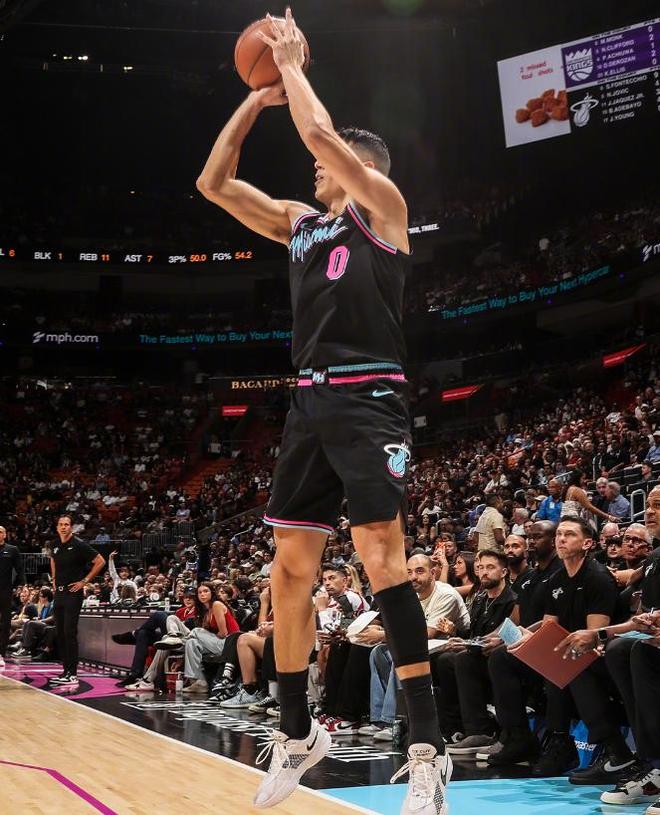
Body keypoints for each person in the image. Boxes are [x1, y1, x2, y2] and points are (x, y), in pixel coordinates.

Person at [196, 10, 450, 812]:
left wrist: (293, 69)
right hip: (309, 400)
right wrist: (257, 96)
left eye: (325, 163)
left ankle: (427, 749)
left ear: (357, 166)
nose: (312, 170)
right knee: (289, 571)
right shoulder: (301, 226)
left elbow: (320, 136)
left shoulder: (383, 206)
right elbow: (213, 184)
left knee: (381, 558)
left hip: (371, 396)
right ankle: (298, 732)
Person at [49, 515, 105, 686]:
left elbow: (100, 561)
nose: (63, 527)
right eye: (61, 524)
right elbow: (53, 559)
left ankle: (72, 674)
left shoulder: (79, 544)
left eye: (66, 524)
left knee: (69, 632)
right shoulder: (55, 544)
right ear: (57, 527)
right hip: (59, 593)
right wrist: (54, 579)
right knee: (59, 633)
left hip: (73, 593)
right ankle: (65, 671)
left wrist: (84, 581)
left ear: (71, 527)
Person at [0, 525, 25, 670]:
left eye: (0, 532)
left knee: (5, 623)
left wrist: (22, 585)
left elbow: (19, 569)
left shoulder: (12, 549)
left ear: (5, 534)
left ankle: (1, 654)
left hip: (5, 591)